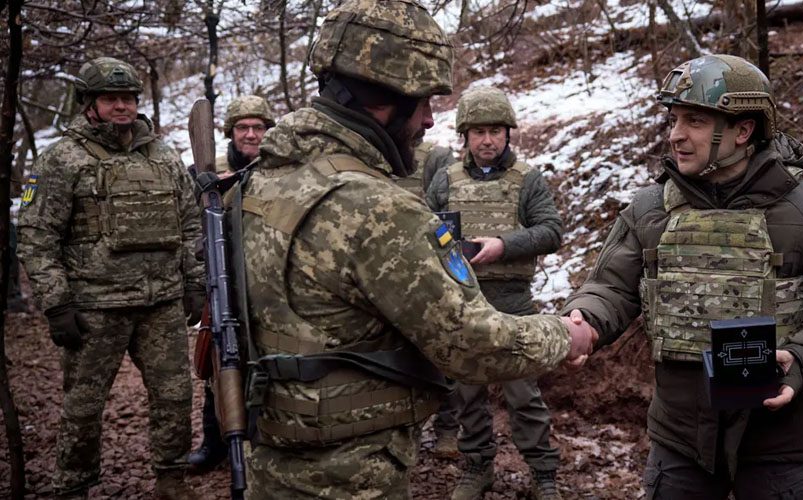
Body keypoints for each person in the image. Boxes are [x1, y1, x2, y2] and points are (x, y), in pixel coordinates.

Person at [236, 1, 596, 498]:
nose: (429, 120)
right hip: (353, 475)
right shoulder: (374, 207)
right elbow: (471, 343)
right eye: (424, 101)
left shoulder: (260, 181)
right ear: (386, 97)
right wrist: (564, 334)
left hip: (271, 462)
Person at [561, 54, 803, 499]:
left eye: (695, 121)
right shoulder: (650, 208)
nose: (675, 135)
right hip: (679, 441)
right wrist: (583, 320)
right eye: (674, 119)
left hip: (782, 443)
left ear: (743, 130)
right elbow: (611, 287)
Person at [16, 57, 203, 499]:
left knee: (175, 396)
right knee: (83, 406)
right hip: (95, 308)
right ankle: (74, 486)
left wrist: (195, 281)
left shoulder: (163, 154)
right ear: (89, 103)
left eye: (128, 98)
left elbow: (190, 223)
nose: (121, 107)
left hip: (161, 303)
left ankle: (172, 479)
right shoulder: (60, 159)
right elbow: (36, 235)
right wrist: (57, 303)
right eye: (110, 99)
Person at [426, 86, 565, 500]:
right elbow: (424, 229)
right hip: (463, 300)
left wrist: (504, 245)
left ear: (508, 133)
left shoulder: (527, 179)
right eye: (478, 132)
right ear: (465, 136)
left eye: (495, 132)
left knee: (524, 394)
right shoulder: (445, 179)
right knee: (467, 393)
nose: (487, 140)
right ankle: (476, 467)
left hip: (513, 301)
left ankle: (543, 473)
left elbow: (551, 230)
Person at [187, 94, 275, 473]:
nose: (251, 134)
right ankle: (214, 440)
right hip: (221, 279)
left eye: (258, 127)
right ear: (230, 132)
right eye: (242, 127)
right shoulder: (207, 171)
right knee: (216, 356)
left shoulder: (280, 171)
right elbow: (187, 227)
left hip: (263, 279)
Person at [392, 137, 463, 457]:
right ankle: (408, 428)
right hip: (381, 269)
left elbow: (448, 215)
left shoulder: (435, 157)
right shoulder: (369, 152)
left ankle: (447, 428)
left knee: (442, 350)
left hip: (429, 269)